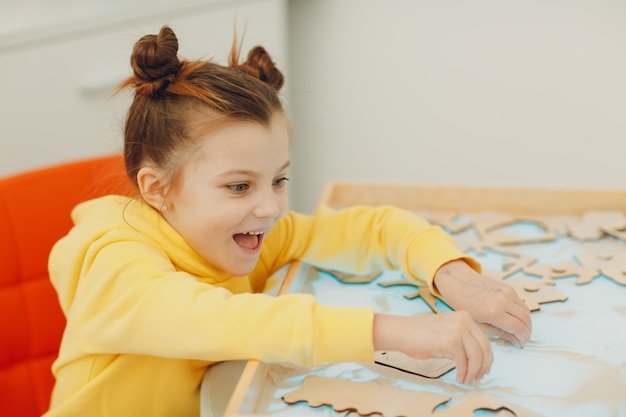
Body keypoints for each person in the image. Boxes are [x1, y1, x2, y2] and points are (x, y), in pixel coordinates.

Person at [44, 25, 531, 417]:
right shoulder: (113, 264)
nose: (270, 207)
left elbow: (372, 228)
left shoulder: (241, 233)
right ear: (158, 189)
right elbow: (217, 317)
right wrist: (393, 331)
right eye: (239, 186)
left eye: (278, 180)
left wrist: (454, 276)